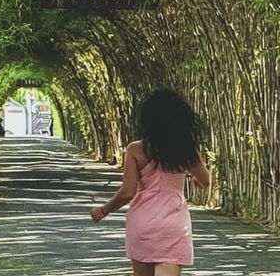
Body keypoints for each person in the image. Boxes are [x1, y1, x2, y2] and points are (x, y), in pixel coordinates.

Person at [90, 89, 211, 276]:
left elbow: (127, 192)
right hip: (173, 224)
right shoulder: (186, 150)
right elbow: (206, 180)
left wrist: (103, 210)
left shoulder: (136, 150)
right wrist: (195, 178)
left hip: (142, 224)